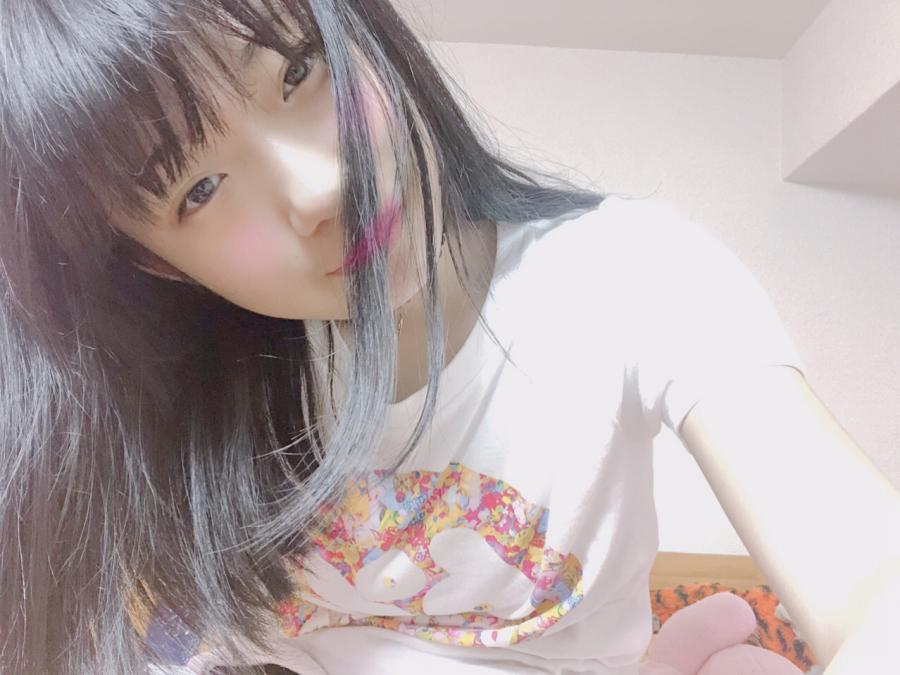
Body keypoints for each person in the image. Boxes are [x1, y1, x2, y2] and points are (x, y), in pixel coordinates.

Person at [0, 1, 825, 674]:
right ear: (158, 264)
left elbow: (868, 581)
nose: (320, 187)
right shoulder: (175, 382)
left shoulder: (629, 273)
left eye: (299, 68)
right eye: (201, 188)